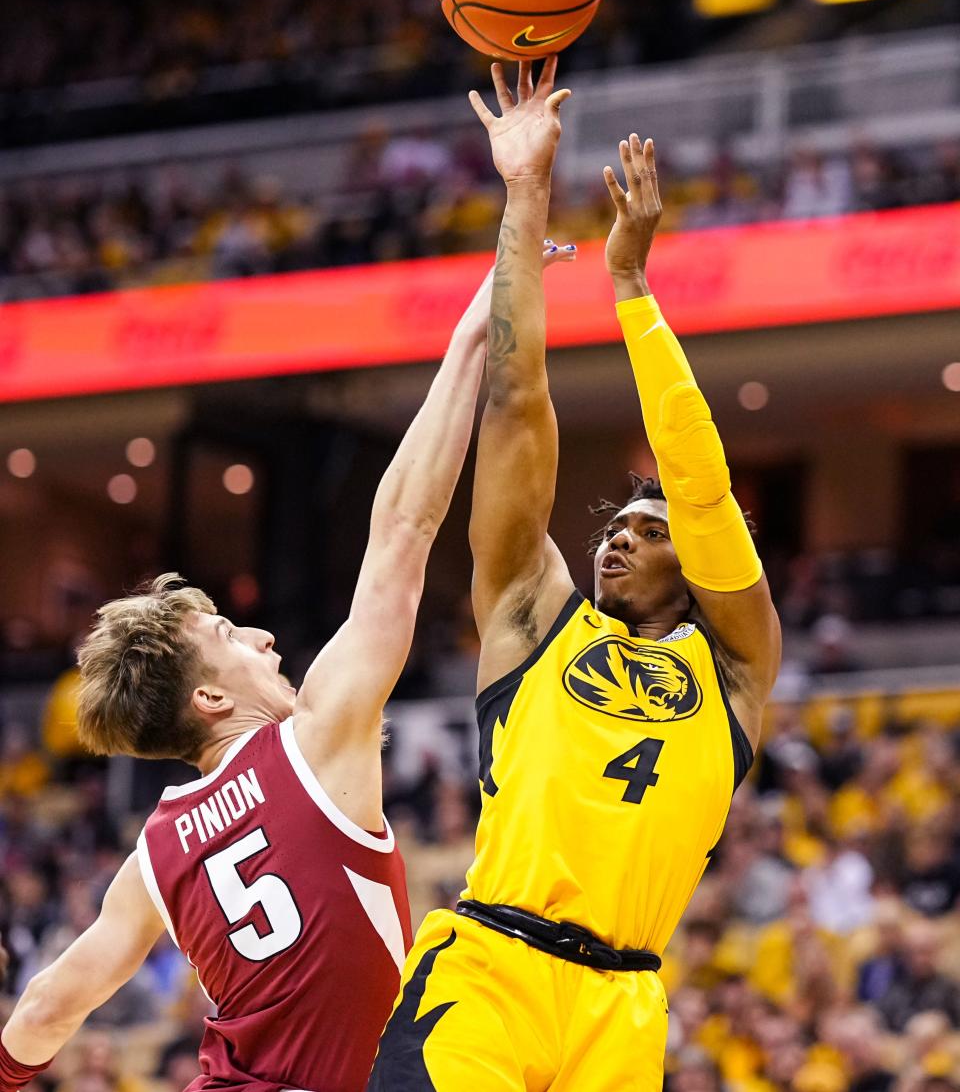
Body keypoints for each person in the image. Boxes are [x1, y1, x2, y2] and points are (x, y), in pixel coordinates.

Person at [0, 261, 543, 1092]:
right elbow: (404, 524)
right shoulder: (316, 742)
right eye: (229, 634)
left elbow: (44, 1010)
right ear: (208, 700)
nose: (262, 635)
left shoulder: (154, 853)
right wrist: (476, 327)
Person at [369, 55, 781, 1090]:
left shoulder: (736, 673)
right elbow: (515, 403)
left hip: (624, 1010)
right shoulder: (534, 615)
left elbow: (704, 486)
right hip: (489, 977)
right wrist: (523, 197)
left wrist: (634, 290)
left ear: (697, 568)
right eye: (614, 524)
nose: (619, 537)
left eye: (651, 530)